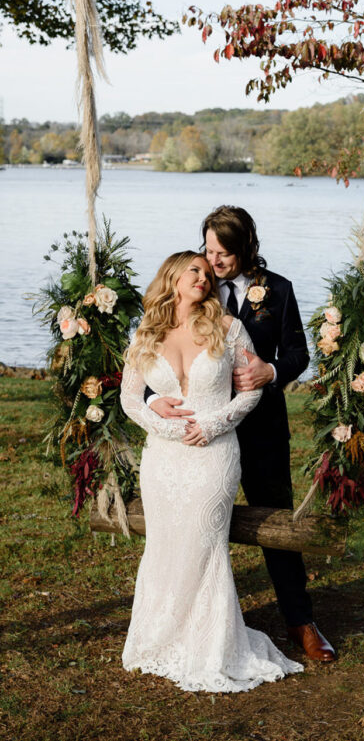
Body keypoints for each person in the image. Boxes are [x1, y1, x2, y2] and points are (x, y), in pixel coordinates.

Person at [146, 206, 336, 662]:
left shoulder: (278, 290)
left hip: (262, 428)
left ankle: (300, 620)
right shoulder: (190, 289)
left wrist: (270, 370)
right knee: (189, 525)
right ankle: (188, 619)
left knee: (275, 522)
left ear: (246, 248)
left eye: (224, 253)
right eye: (208, 250)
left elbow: (298, 353)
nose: (214, 262)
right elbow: (154, 354)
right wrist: (153, 399)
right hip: (200, 437)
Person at [120, 250, 303, 692]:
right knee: (165, 545)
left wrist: (212, 423)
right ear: (172, 278)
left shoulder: (229, 327)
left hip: (214, 452)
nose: (204, 277)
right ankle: (161, 635)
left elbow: (250, 392)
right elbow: (128, 398)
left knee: (204, 544)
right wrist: (154, 410)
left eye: (207, 271)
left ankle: (210, 643)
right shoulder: (145, 333)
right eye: (195, 270)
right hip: (162, 458)